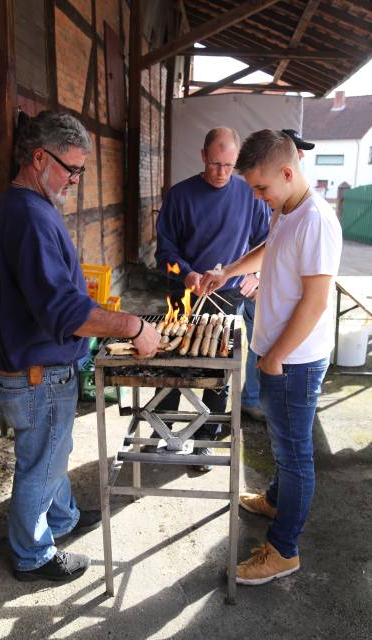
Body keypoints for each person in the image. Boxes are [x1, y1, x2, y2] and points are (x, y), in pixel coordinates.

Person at [0, 111, 160, 584]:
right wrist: (134, 327)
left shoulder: (16, 207)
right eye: (70, 169)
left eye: (80, 171)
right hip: (37, 371)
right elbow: (63, 312)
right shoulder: (30, 216)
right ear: (38, 158)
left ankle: (61, 520)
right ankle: (32, 555)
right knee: (40, 463)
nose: (75, 180)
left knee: (53, 449)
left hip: (36, 366)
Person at [200, 129, 342, 585]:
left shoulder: (316, 220)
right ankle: (277, 500)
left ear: (287, 171)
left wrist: (276, 355)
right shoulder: (286, 207)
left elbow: (316, 301)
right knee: (284, 444)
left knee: (296, 454)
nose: (258, 198)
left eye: (261, 188)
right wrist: (226, 271)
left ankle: (283, 550)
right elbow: (269, 251)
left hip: (295, 361)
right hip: (280, 354)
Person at [155, 127, 270, 469]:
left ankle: (206, 438)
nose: (222, 172)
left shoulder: (248, 194)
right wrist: (187, 273)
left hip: (228, 295)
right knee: (174, 360)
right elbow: (165, 250)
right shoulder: (179, 195)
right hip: (184, 293)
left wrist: (254, 275)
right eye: (216, 163)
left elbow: (266, 243)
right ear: (203, 156)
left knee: (217, 368)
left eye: (229, 165)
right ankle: (166, 431)